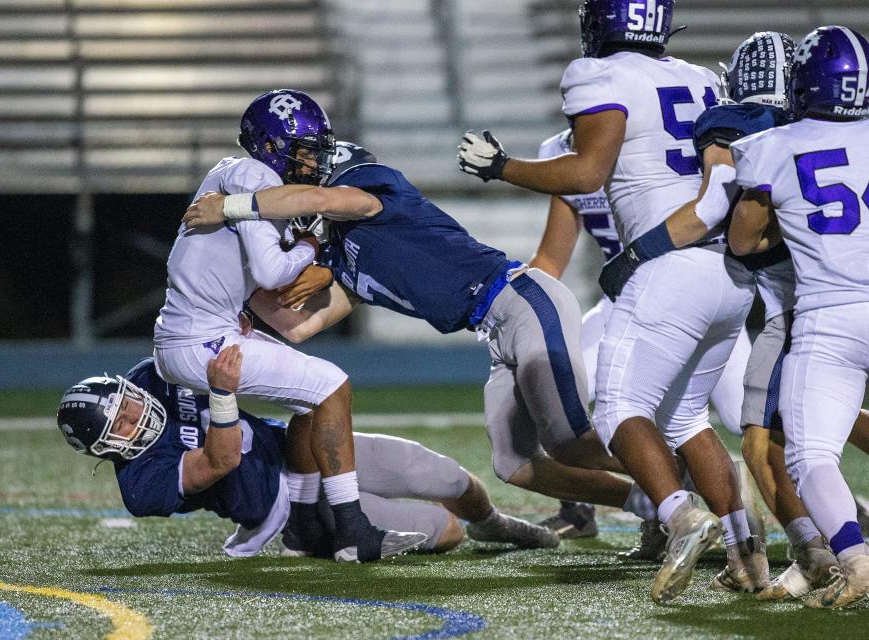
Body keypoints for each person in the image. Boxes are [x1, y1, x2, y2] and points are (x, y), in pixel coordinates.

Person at [183, 142, 664, 539]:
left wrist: (232, 207)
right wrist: (236, 299)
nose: (305, 173)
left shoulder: (372, 188)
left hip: (521, 298)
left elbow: (328, 201)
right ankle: (649, 501)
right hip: (496, 329)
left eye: (314, 166)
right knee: (514, 464)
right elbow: (297, 327)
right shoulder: (345, 255)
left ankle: (685, 481)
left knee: (569, 441)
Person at [456, 0, 759, 604]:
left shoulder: (597, 75)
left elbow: (589, 171)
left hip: (662, 270)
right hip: (724, 269)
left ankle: (677, 514)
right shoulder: (700, 79)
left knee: (620, 411)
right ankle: (745, 551)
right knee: (686, 420)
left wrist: (502, 166)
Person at [152, 89, 423, 562]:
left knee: (310, 399)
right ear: (272, 148)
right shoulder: (254, 175)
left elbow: (287, 317)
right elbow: (272, 273)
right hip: (204, 340)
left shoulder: (228, 170)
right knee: (333, 385)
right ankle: (351, 528)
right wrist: (312, 248)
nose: (312, 161)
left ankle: (301, 524)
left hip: (195, 334)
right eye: (305, 150)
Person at [56, 348, 557, 559]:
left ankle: (497, 524)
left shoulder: (153, 373)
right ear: (105, 448)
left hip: (300, 446)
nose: (134, 415)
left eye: (126, 403)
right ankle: (308, 530)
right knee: (444, 531)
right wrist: (223, 396)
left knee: (447, 477)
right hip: (274, 501)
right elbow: (220, 460)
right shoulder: (141, 485)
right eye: (118, 424)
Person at [530, 127, 753, 546]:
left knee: (750, 414)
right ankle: (592, 507)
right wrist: (513, 304)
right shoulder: (563, 151)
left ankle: (833, 514)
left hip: (684, 283)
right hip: (626, 297)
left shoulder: (670, 133)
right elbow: (551, 255)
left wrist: (505, 168)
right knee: (551, 386)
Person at [728, 25, 869, 609]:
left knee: (811, 458)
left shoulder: (774, 146)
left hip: (830, 315)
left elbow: (741, 241)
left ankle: (857, 562)